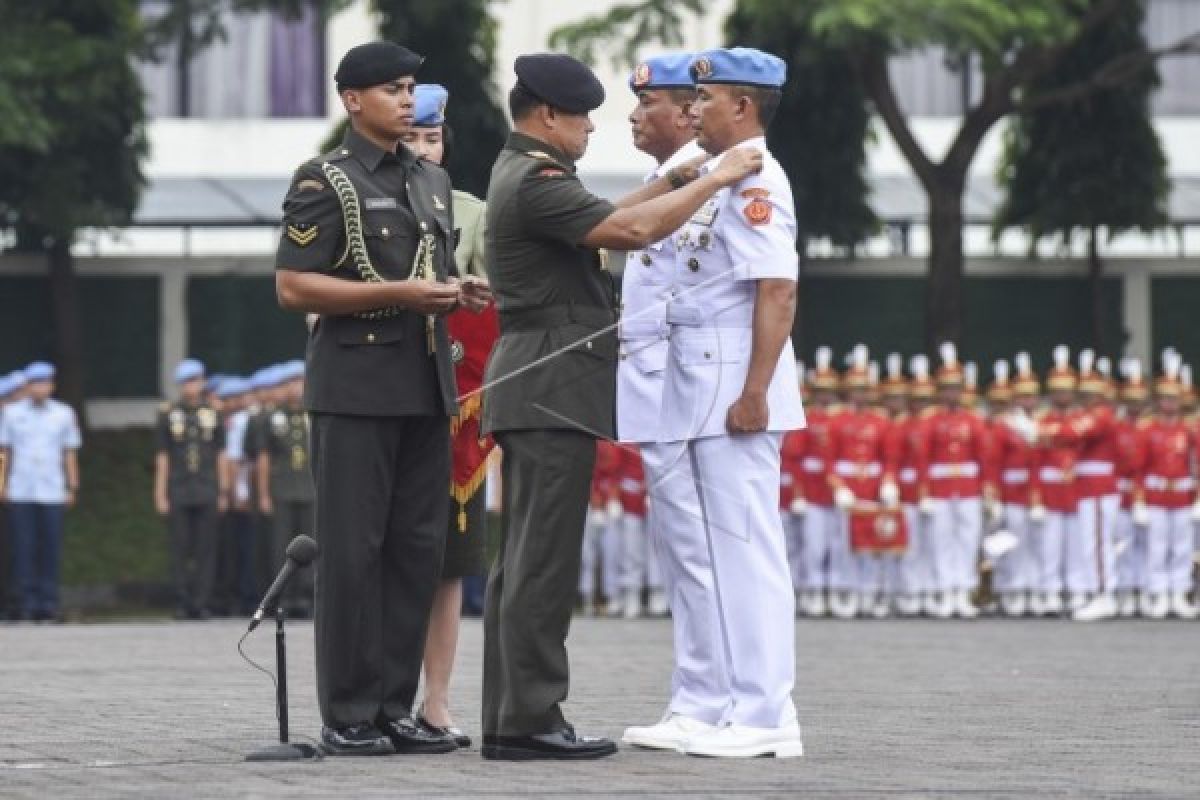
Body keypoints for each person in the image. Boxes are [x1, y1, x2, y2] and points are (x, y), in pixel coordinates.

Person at [479, 51, 763, 761]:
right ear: (549, 116)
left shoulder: (522, 170)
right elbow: (630, 233)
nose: (591, 131)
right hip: (552, 392)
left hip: (533, 388)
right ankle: (531, 720)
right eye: (582, 119)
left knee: (520, 563)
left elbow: (607, 212)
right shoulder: (540, 179)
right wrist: (721, 177)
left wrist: (676, 177)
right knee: (541, 565)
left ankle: (511, 714)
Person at [273, 41, 489, 757]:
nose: (407, 99)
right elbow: (294, 286)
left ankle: (397, 708)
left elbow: (435, 269)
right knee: (352, 555)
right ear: (352, 100)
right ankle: (348, 711)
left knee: (414, 554)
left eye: (411, 88)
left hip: (427, 388)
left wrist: (463, 292)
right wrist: (396, 294)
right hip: (356, 389)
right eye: (392, 88)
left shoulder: (430, 181)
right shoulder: (323, 181)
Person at [648, 47, 805, 758]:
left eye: (705, 100)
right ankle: (710, 702)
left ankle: (767, 712)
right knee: (705, 552)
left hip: (736, 377)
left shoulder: (757, 179)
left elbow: (777, 288)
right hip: (698, 375)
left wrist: (755, 392)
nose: (693, 110)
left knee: (745, 550)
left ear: (742, 107)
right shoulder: (715, 175)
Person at [400, 83, 494, 748]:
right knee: (387, 558)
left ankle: (436, 701)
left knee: (449, 566)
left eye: (432, 138)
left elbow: (497, 307)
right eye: (412, 138)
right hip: (390, 400)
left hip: (456, 411)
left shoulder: (472, 213)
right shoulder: (364, 203)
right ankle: (380, 696)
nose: (424, 150)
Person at [0, 362, 81, 622]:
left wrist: (72, 485)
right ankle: (25, 602)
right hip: (21, 489)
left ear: (52, 386)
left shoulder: (63, 414)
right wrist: (2, 485)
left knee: (50, 548)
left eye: (44, 383)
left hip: (52, 490)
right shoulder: (12, 414)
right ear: (28, 387)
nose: (39, 388)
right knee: (23, 548)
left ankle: (48, 603)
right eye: (35, 384)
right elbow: (5, 452)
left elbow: (69, 452)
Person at [918, 343, 992, 619]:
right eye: (947, 387)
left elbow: (984, 459)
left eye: (956, 387)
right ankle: (945, 591)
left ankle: (963, 591)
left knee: (967, 541)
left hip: (968, 489)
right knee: (942, 541)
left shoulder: (974, 420)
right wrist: (924, 493)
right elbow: (923, 460)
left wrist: (988, 492)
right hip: (940, 490)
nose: (952, 392)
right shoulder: (930, 421)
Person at [154, 358, 228, 620]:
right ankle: (182, 600)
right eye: (187, 381)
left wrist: (224, 491)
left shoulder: (214, 413)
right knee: (180, 547)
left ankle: (202, 601)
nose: (191, 386)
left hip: (207, 486)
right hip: (179, 487)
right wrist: (160, 493)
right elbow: (163, 456)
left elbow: (221, 455)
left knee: (206, 548)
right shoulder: (168, 413)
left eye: (195, 380)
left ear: (203, 382)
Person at [253, 361, 315, 617]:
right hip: (282, 490)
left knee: (310, 544)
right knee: (282, 546)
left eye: (299, 381)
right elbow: (264, 458)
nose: (295, 387)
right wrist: (264, 494)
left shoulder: (312, 413)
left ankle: (307, 596)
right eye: (289, 382)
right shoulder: (272, 417)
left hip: (310, 489)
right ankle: (283, 598)